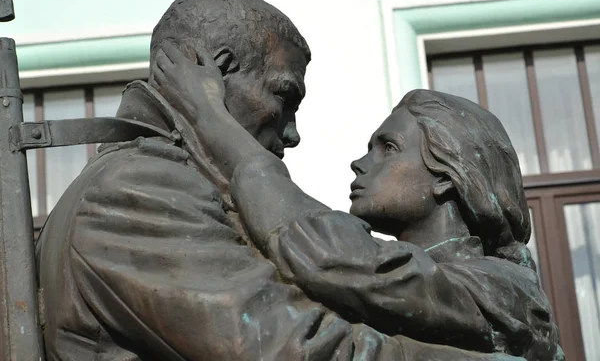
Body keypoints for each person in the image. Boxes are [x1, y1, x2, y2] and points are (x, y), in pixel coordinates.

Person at [36, 0, 510, 361]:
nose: (293, 134)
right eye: (284, 98)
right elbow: (293, 346)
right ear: (216, 72)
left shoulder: (178, 180)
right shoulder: (138, 187)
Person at [151, 40, 564, 360]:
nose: (359, 163)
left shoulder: (506, 293)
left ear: (447, 177)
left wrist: (216, 125)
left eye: (388, 148)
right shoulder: (377, 284)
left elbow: (334, 257)